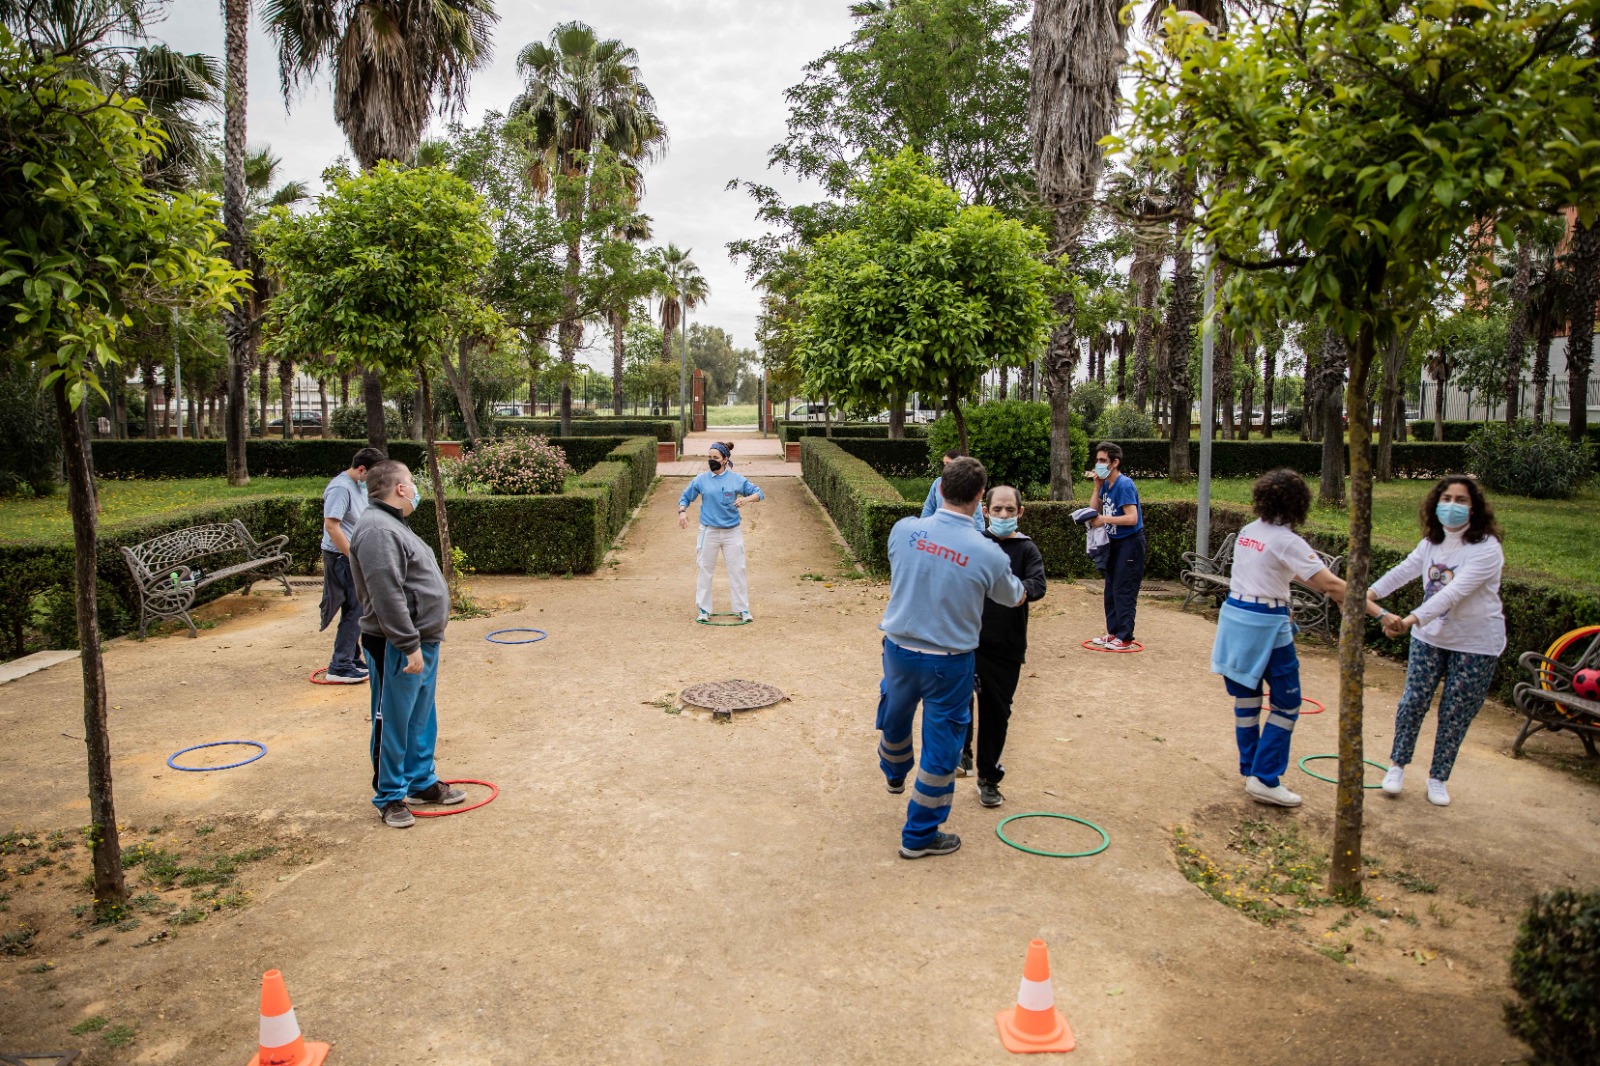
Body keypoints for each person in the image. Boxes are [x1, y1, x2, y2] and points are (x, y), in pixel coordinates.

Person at [876, 457, 1027, 859]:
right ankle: (919, 835)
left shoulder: (903, 530)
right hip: (950, 662)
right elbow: (1012, 596)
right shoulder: (989, 552)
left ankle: (893, 773)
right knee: (942, 748)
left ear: (939, 489)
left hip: (899, 651)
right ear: (981, 499)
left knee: (895, 715)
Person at [1211, 470, 1384, 807]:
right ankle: (1265, 777)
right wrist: (1381, 613)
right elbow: (1330, 585)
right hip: (1267, 625)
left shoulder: (1249, 532)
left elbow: (1279, 575)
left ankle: (1251, 770)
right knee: (1287, 703)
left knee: (1246, 701)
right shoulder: (1287, 540)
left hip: (1236, 618)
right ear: (1298, 504)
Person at [1367, 477, 1506, 807]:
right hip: (1430, 637)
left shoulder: (1487, 548)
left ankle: (1438, 777)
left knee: (1456, 711)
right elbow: (1404, 570)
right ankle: (1397, 766)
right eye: (1447, 497)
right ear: (1436, 502)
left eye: (1461, 499)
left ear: (1474, 507)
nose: (1453, 505)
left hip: (1476, 643)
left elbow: (1454, 593)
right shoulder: (1431, 542)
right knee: (1413, 701)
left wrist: (1409, 620)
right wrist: (1369, 593)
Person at [349, 460, 465, 828]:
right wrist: (408, 643)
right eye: (412, 482)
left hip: (420, 641)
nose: (415, 488)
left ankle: (420, 782)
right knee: (394, 720)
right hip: (396, 645)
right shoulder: (378, 530)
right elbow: (387, 595)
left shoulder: (392, 524)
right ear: (400, 489)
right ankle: (390, 796)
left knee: (420, 715)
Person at [958, 485, 1047, 807]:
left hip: (1006, 647)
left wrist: (1011, 589)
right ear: (985, 510)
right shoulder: (974, 544)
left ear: (1020, 512)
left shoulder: (1027, 550)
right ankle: (962, 754)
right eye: (998, 509)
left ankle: (988, 778)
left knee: (996, 714)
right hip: (967, 641)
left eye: (1010, 510)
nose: (1004, 515)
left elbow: (1037, 585)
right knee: (958, 700)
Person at [318, 447, 386, 684]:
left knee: (356, 608)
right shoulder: (340, 487)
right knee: (355, 611)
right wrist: (352, 556)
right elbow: (332, 526)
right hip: (341, 558)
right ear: (361, 469)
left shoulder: (356, 485)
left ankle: (352, 659)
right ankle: (340, 665)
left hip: (349, 557)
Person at [678, 441, 765, 623]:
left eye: (715, 458)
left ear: (725, 459)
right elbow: (685, 497)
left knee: (737, 570)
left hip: (732, 532)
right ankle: (703, 610)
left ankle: (743, 609)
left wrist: (746, 499)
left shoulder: (736, 479)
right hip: (708, 532)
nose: (712, 461)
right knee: (705, 570)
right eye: (709, 457)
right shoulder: (701, 480)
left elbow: (759, 493)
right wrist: (682, 511)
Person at [1087, 442, 1145, 650]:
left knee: (1124, 589)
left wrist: (1105, 519)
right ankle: (1113, 633)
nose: (1098, 464)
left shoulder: (1124, 484)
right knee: (1110, 588)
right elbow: (1094, 511)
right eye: (1097, 460)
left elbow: (1131, 518)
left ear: (1115, 462)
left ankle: (1125, 636)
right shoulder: (1106, 485)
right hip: (1113, 543)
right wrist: (1096, 487)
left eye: (1103, 460)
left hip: (1130, 543)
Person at [921, 448, 986, 531]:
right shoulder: (937, 483)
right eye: (944, 464)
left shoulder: (969, 484)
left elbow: (977, 518)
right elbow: (928, 509)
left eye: (948, 464)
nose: (945, 467)